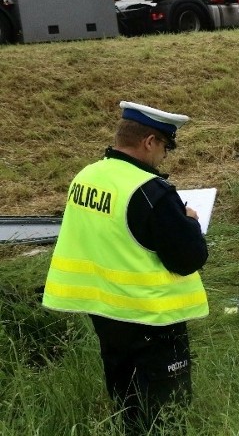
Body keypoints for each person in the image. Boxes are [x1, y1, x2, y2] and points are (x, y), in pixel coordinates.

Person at [42, 101, 209, 433]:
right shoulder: (151, 192)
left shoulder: (87, 176)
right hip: (152, 317)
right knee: (165, 414)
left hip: (107, 313)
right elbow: (189, 258)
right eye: (165, 147)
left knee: (127, 399)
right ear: (149, 142)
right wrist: (189, 222)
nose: (164, 157)